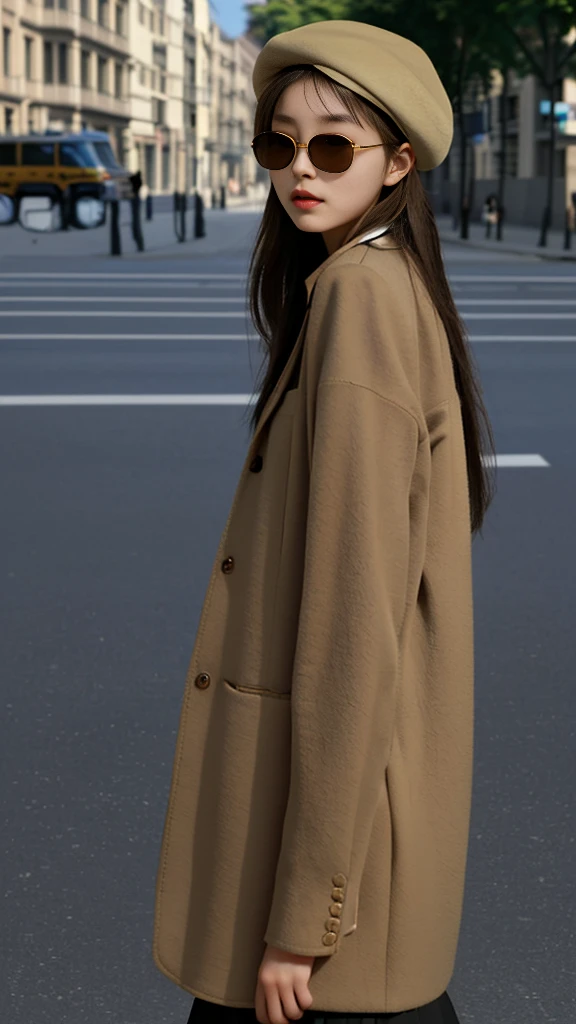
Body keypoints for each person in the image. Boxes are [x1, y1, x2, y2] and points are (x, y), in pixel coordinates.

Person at [152, 19, 497, 1024]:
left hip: (326, 882)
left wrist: (302, 916)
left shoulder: (359, 298)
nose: (300, 169)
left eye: (333, 145)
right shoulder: (371, 283)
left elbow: (355, 630)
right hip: (357, 839)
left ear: (397, 162)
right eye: (279, 143)